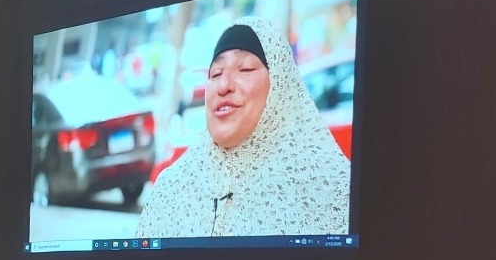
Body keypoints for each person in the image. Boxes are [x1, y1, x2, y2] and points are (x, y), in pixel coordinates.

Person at [135, 16, 350, 237]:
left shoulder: (332, 189)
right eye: (216, 73)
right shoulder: (172, 188)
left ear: (280, 86)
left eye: (245, 69)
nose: (224, 85)